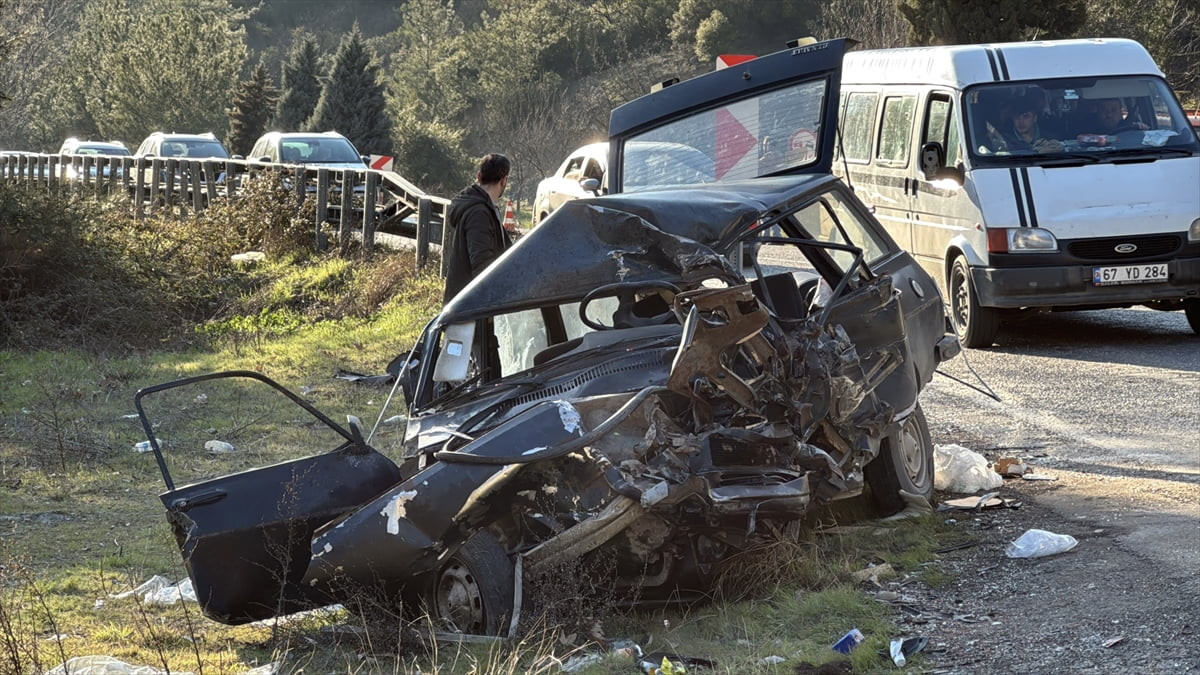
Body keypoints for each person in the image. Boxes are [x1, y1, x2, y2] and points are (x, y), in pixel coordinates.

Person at [443, 153, 512, 303]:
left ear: (479, 176)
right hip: (469, 310)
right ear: (504, 181)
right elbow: (482, 266)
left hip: (465, 306)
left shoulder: (480, 208)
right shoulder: (479, 214)